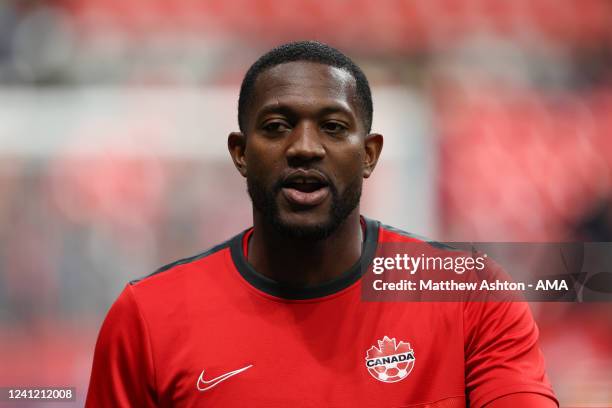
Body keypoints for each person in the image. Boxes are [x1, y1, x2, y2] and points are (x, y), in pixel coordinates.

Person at [86, 41, 558, 407]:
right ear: (240, 153)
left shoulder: (471, 297)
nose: (305, 147)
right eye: (276, 126)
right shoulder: (147, 318)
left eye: (333, 127)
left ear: (369, 154)